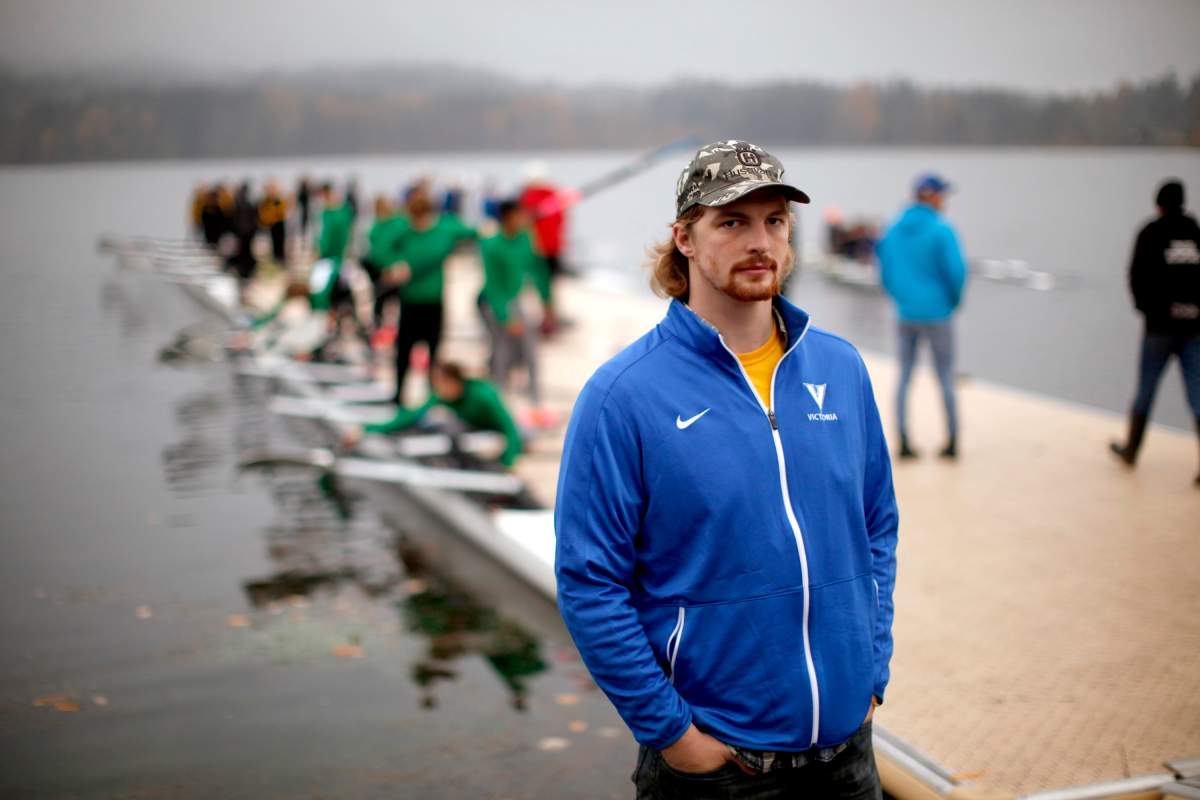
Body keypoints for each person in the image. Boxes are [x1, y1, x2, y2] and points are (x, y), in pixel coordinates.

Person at [555, 140, 898, 799]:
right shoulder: (624, 395)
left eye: (774, 220)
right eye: (732, 221)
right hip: (718, 770)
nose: (759, 240)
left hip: (848, 757)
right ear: (684, 237)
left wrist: (871, 671)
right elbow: (589, 583)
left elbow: (877, 525)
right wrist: (673, 734)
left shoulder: (840, 367)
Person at [1110, 179, 1200, 485]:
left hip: (1159, 330)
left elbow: (1135, 276)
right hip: (1193, 329)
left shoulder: (1151, 233)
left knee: (1146, 390)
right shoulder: (1195, 234)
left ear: (1159, 204)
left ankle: (1132, 451)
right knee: (1197, 395)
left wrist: (1146, 309)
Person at [876, 173, 968, 460]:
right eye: (943, 195)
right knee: (944, 376)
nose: (945, 201)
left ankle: (903, 441)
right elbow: (957, 273)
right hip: (938, 313)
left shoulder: (892, 230)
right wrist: (952, 302)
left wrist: (902, 298)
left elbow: (885, 274)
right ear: (933, 196)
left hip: (905, 314)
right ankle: (952, 442)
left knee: (904, 376)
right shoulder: (942, 230)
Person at [386, 183, 477, 404]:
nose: (418, 223)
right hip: (410, 301)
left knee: (433, 353)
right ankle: (399, 394)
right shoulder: (404, 230)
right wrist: (393, 265)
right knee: (403, 351)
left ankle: (431, 398)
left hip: (433, 302)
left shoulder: (444, 230)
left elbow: (472, 233)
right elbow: (381, 246)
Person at [344, 361, 523, 468]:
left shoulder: (483, 394)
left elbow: (508, 425)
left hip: (502, 430)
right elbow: (409, 416)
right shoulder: (444, 395)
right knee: (437, 425)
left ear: (454, 381)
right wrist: (366, 430)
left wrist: (509, 461)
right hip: (477, 430)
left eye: (442, 382)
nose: (438, 388)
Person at [478, 200, 551, 411]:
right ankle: (497, 401)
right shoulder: (491, 244)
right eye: (519, 215)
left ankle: (536, 403)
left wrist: (547, 301)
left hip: (518, 299)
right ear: (508, 218)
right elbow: (493, 286)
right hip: (494, 301)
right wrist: (505, 317)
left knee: (531, 352)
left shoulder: (526, 238)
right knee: (502, 351)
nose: (523, 219)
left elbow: (538, 270)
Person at [518, 162, 567, 334]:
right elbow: (561, 222)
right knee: (549, 286)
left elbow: (523, 226)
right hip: (554, 248)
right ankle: (550, 320)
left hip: (538, 250)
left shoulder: (528, 197)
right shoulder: (555, 195)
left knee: (541, 286)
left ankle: (547, 321)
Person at [258, 180, 289, 265]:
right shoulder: (267, 200)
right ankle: (276, 259)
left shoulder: (277, 200)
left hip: (279, 223)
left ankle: (280, 259)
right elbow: (263, 212)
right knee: (274, 242)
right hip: (272, 224)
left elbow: (281, 211)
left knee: (280, 242)